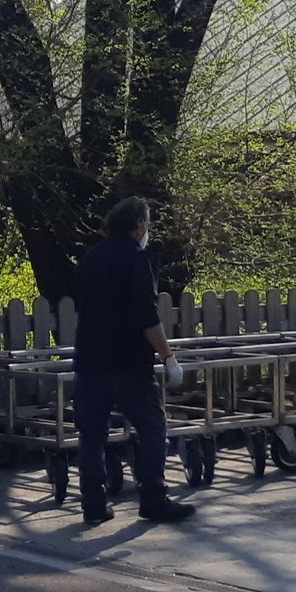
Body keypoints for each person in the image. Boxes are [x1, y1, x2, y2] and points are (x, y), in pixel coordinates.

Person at [74, 196, 194, 525]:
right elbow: (146, 314)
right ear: (138, 223)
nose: (148, 230)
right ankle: (153, 498)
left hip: (89, 359)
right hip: (127, 362)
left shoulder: (91, 257)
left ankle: (93, 504)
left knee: (92, 435)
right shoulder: (135, 259)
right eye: (148, 223)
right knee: (153, 428)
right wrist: (168, 357)